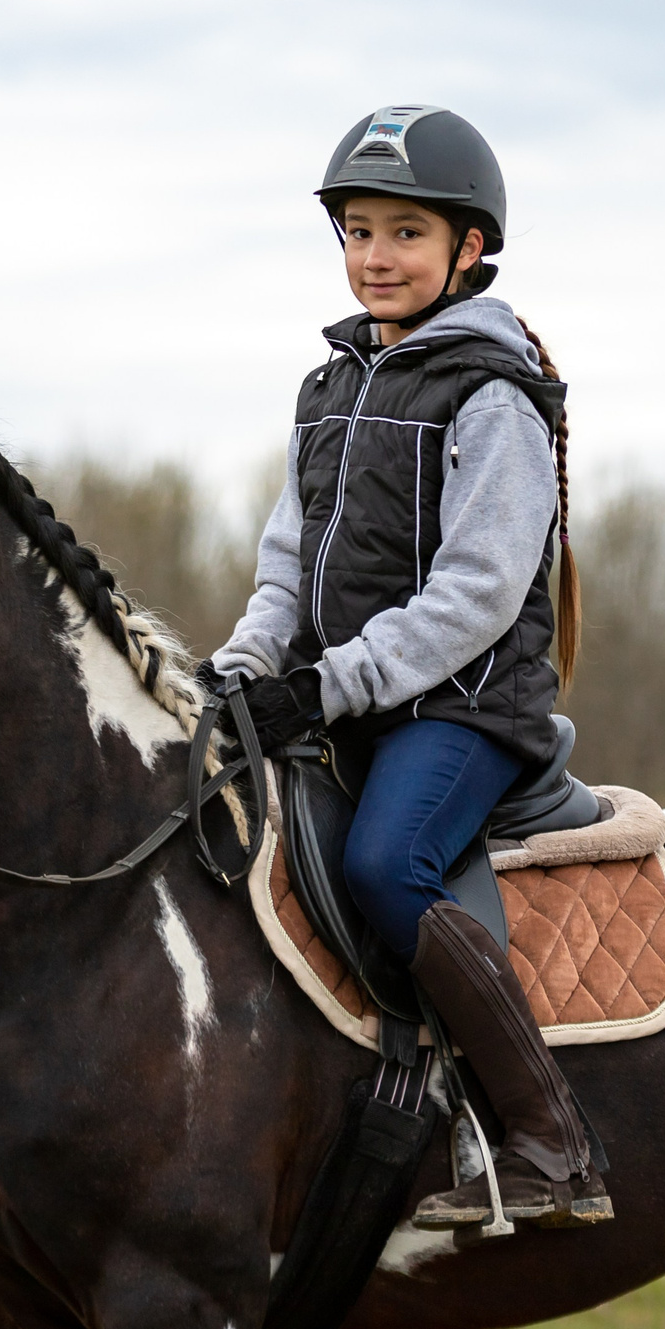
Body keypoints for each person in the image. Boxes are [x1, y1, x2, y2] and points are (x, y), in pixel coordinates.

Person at [205, 104, 609, 1231]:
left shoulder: (493, 394)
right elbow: (288, 564)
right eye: (358, 231)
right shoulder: (329, 388)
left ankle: (550, 1138)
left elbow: (478, 594)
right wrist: (241, 668)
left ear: (468, 248)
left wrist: (326, 685)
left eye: (406, 233)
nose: (376, 256)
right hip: (353, 702)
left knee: (387, 864)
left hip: (464, 711)